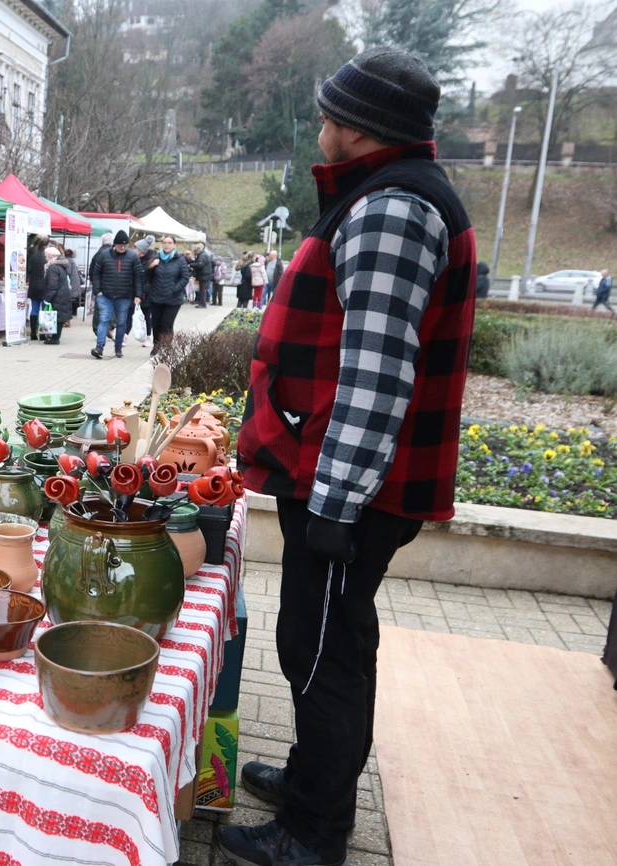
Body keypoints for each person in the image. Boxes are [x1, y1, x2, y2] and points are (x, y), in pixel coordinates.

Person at [226, 48, 476, 866]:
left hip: (349, 493)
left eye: (331, 115)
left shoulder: (394, 209)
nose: (321, 127)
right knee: (327, 641)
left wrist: (335, 501)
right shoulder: (385, 197)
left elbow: (374, 375)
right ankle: (309, 780)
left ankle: (313, 832)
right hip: (346, 480)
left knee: (323, 652)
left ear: (363, 126)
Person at [88, 230, 143, 359]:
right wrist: (98, 291)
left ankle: (118, 346)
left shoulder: (133, 257)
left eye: (125, 245)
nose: (122, 247)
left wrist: (138, 295)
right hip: (105, 295)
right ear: (114, 244)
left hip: (124, 295)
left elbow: (138, 277)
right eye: (120, 245)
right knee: (103, 320)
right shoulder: (104, 255)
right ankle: (99, 347)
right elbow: (96, 273)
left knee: (122, 322)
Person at [146, 235, 187, 353]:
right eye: (165, 243)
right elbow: (147, 277)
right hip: (156, 297)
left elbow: (184, 278)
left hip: (173, 299)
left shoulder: (180, 259)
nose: (167, 245)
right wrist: (151, 267)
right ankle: (157, 346)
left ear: (174, 245)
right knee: (156, 324)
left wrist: (174, 289)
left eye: (169, 243)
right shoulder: (156, 258)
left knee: (167, 324)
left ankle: (167, 348)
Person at [40, 245, 74, 345]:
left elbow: (52, 285)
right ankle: (55, 337)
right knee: (59, 317)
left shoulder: (53, 267)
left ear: (50, 256)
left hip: (57, 295)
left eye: (46, 256)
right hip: (63, 293)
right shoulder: (62, 265)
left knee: (57, 316)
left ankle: (55, 338)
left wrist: (47, 299)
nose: (45, 258)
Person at [135, 236, 158, 346]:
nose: (135, 250)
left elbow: (147, 277)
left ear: (142, 251)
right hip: (140, 291)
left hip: (148, 292)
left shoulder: (151, 261)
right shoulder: (139, 260)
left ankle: (148, 336)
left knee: (147, 315)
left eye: (137, 249)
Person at [26, 234, 49, 340]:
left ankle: (33, 334)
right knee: (44, 309)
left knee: (34, 309)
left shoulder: (31, 252)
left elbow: (28, 270)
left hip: (34, 285)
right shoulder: (48, 253)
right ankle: (43, 334)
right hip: (45, 286)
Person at [191, 243, 214, 309]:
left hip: (204, 275)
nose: (194, 252)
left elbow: (200, 264)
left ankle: (203, 304)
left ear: (198, 250)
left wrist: (191, 265)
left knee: (202, 290)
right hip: (204, 275)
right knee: (202, 290)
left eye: (195, 251)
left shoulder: (202, 256)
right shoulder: (203, 255)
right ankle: (201, 303)